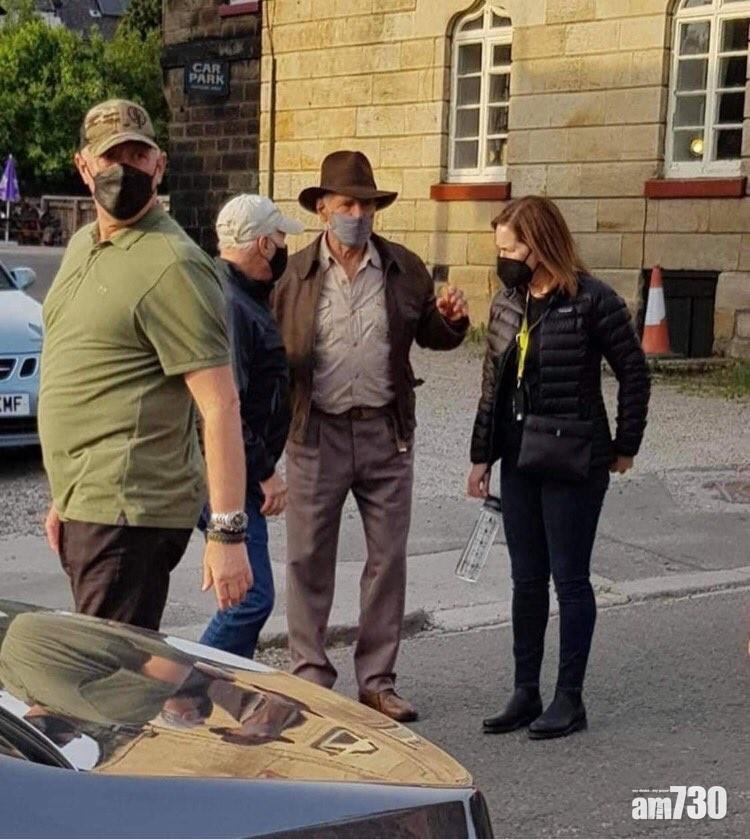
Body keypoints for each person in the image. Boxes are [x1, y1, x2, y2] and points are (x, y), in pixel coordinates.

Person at [38, 99, 251, 632]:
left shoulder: (174, 263)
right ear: (84, 166)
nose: (124, 169)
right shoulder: (83, 244)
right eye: (111, 157)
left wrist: (227, 534)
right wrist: (66, 495)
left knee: (102, 672)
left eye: (137, 155)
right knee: (124, 664)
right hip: (90, 504)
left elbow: (220, 404)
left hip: (129, 511)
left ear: (159, 165)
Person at [273, 150, 469, 722]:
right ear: (322, 208)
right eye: (347, 204)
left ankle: (378, 682)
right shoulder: (293, 275)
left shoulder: (403, 267)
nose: (357, 215)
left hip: (386, 432)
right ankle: (311, 677)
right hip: (317, 432)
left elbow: (430, 333)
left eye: (366, 205)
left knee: (387, 560)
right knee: (308, 558)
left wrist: (452, 320)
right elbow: (267, 349)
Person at [467, 196, 650, 739]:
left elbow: (635, 373)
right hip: (519, 456)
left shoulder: (593, 300)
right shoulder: (507, 303)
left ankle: (570, 698)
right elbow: (491, 387)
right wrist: (481, 457)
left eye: (510, 249)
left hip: (574, 457)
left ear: (540, 245)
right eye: (500, 249)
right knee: (526, 579)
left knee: (569, 578)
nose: (503, 260)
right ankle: (525, 690)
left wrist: (624, 445)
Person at [198, 194, 303, 658]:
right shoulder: (233, 305)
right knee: (249, 598)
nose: (283, 248)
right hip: (231, 472)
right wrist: (264, 472)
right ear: (263, 245)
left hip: (236, 467)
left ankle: (222, 691)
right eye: (280, 238)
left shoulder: (237, 294)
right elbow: (227, 405)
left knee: (243, 594)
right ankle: (191, 688)